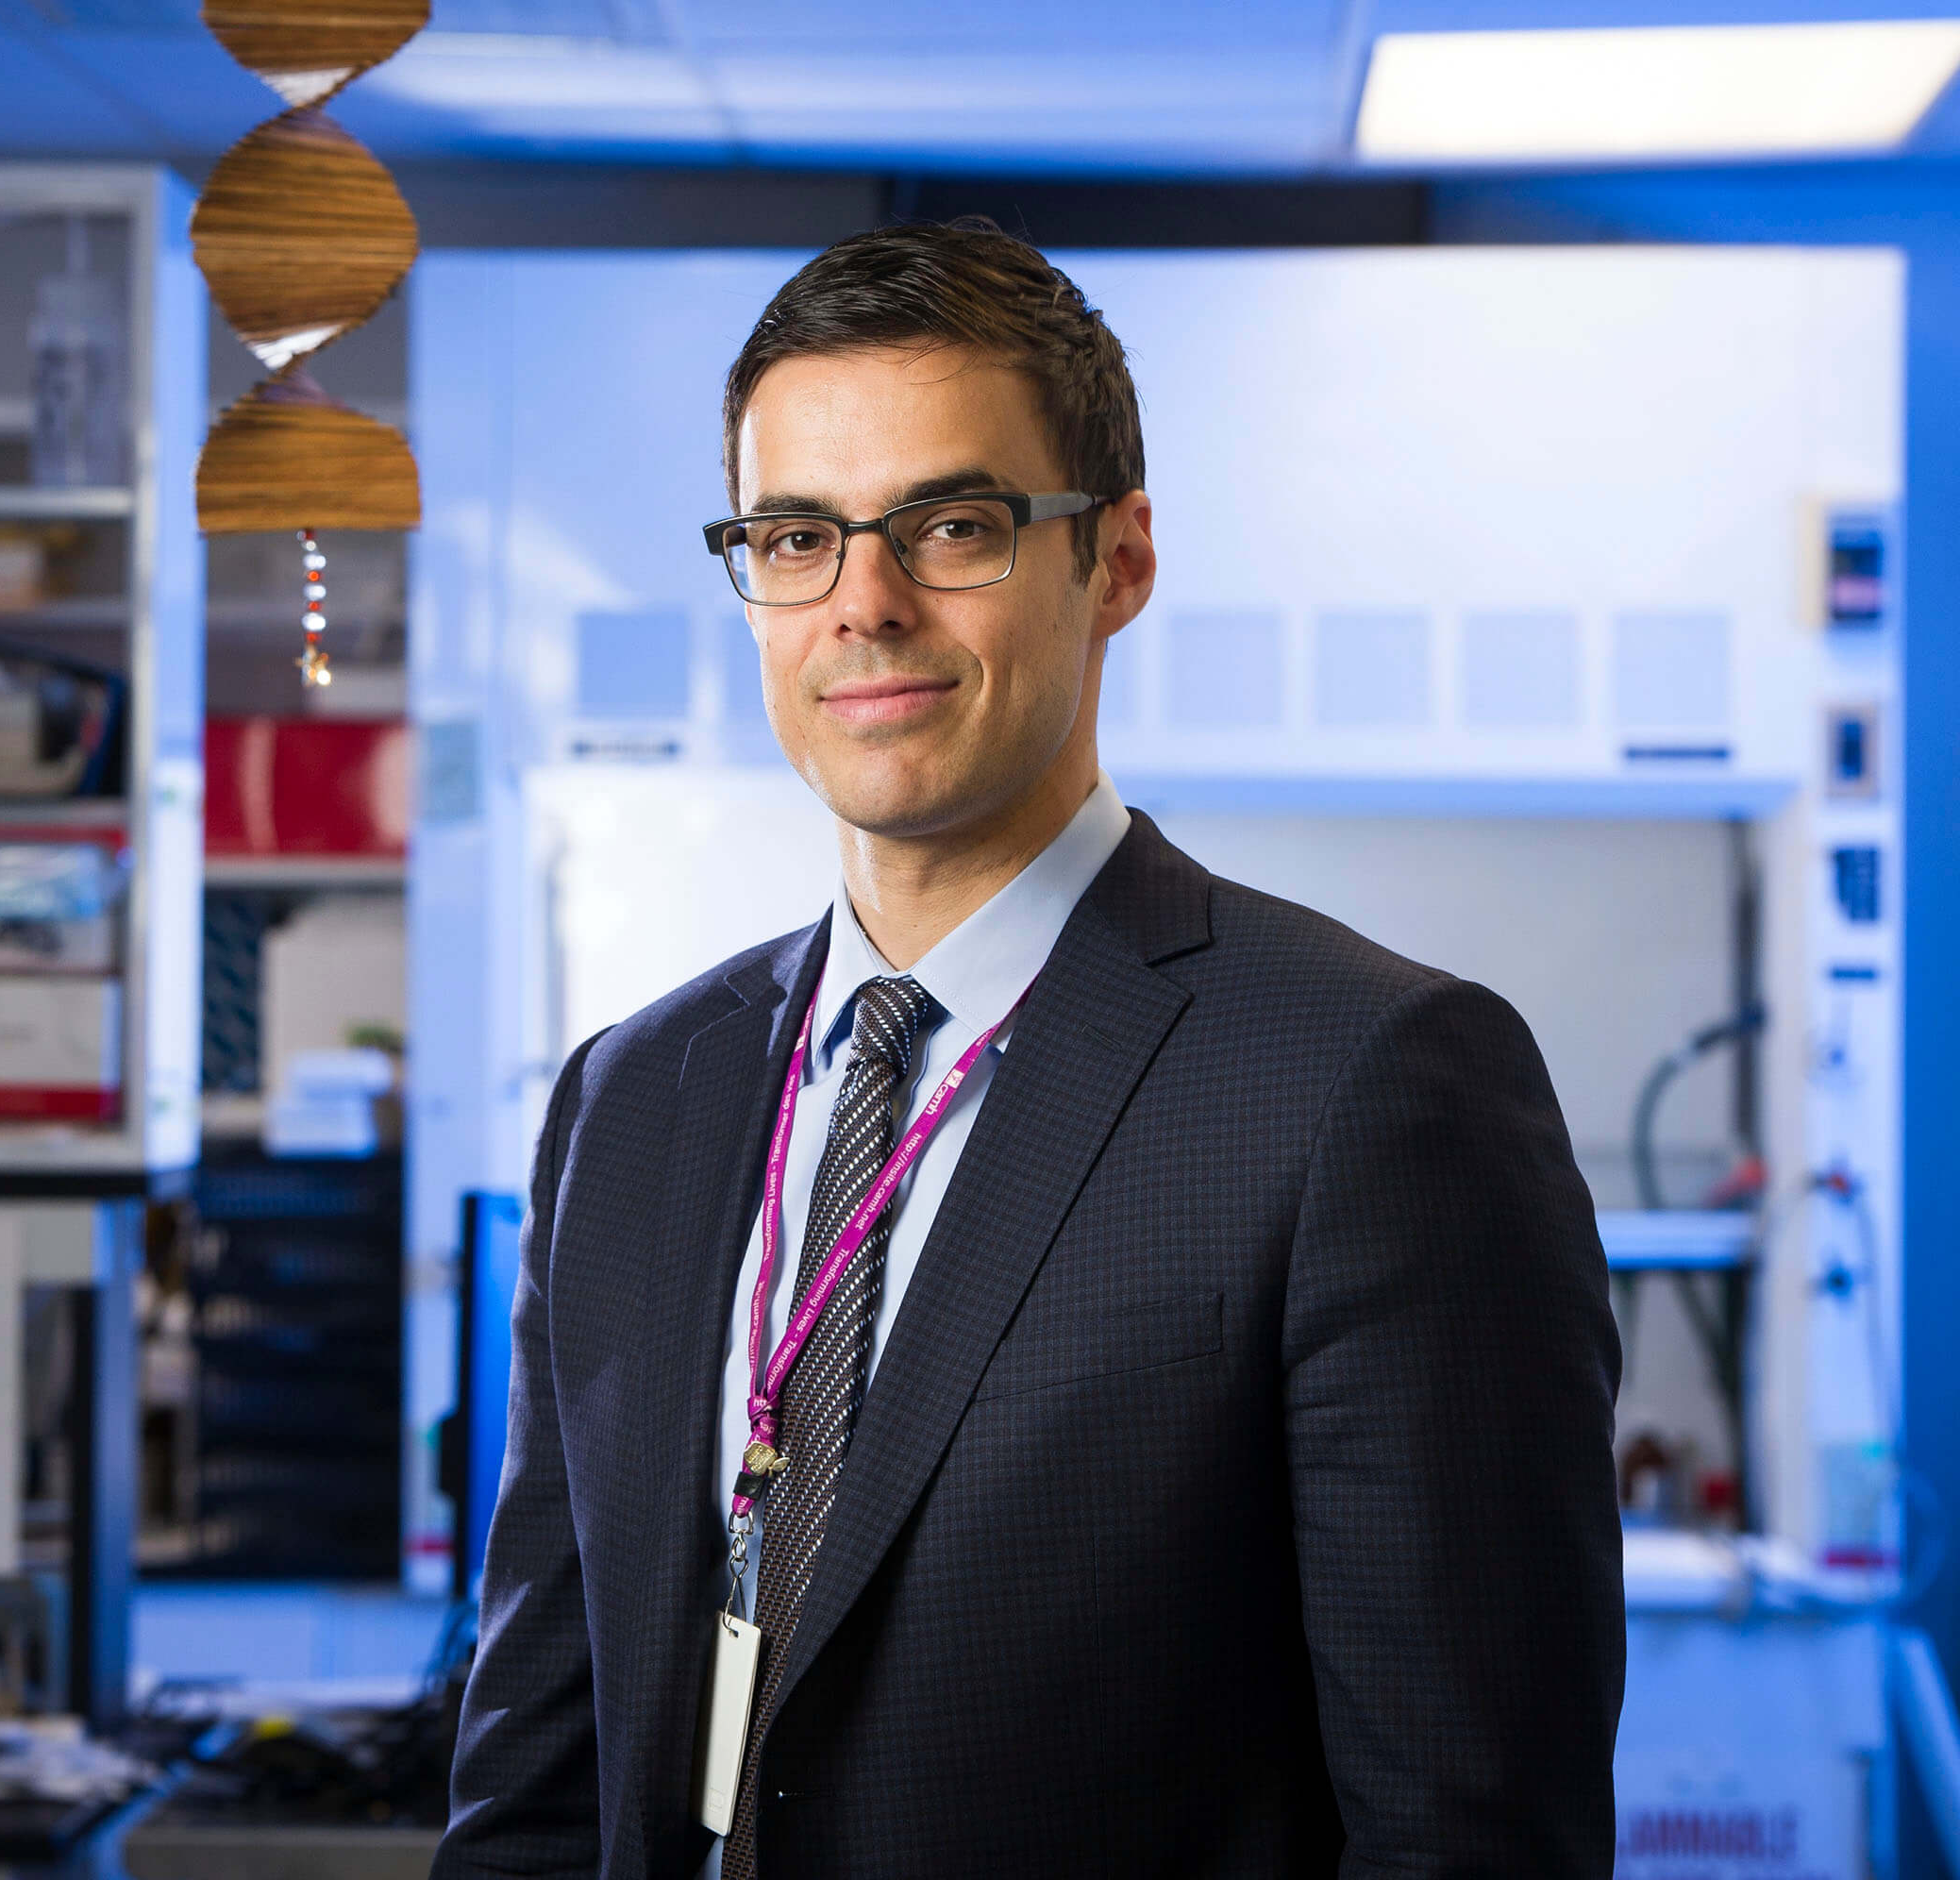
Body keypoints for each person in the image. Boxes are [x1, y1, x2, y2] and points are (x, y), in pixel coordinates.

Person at [436, 218, 1624, 1880]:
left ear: (1118, 561)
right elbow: (540, 1789)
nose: (864, 605)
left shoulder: (1371, 1085)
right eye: (795, 536)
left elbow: (1465, 1840)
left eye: (954, 525)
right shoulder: (634, 1098)